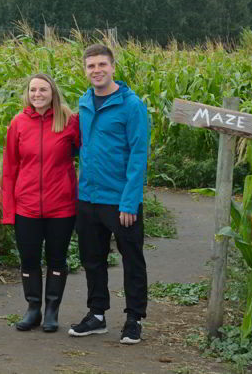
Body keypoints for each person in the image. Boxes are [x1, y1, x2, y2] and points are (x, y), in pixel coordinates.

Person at [68, 44, 150, 345]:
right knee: (92, 259)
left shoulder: (131, 105)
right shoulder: (85, 102)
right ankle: (97, 314)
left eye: (102, 64)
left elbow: (138, 155)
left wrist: (129, 201)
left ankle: (134, 319)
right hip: (88, 197)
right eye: (91, 66)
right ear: (86, 70)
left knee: (132, 259)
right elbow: (82, 146)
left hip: (120, 201)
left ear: (113, 67)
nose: (97, 70)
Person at [1, 73, 80, 332]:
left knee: (57, 259)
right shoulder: (19, 123)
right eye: (33, 89)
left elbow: (85, 152)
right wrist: (9, 209)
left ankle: (52, 311)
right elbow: (10, 168)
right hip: (27, 206)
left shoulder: (68, 121)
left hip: (61, 206)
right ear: (28, 93)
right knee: (29, 259)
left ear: (52, 92)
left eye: (43, 89)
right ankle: (33, 309)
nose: (37, 94)